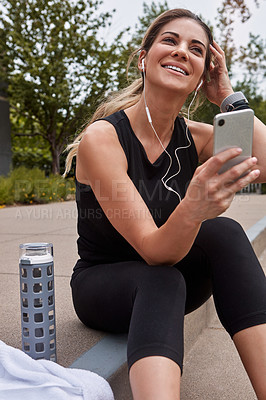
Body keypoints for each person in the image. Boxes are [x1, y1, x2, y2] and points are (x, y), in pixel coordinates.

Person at [64, 9, 266, 400]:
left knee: (224, 231)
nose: (181, 52)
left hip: (172, 276)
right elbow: (155, 251)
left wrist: (226, 95)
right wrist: (194, 205)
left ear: (200, 75)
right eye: (169, 41)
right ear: (144, 57)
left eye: (196, 49)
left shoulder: (197, 137)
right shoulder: (103, 138)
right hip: (103, 285)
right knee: (161, 278)